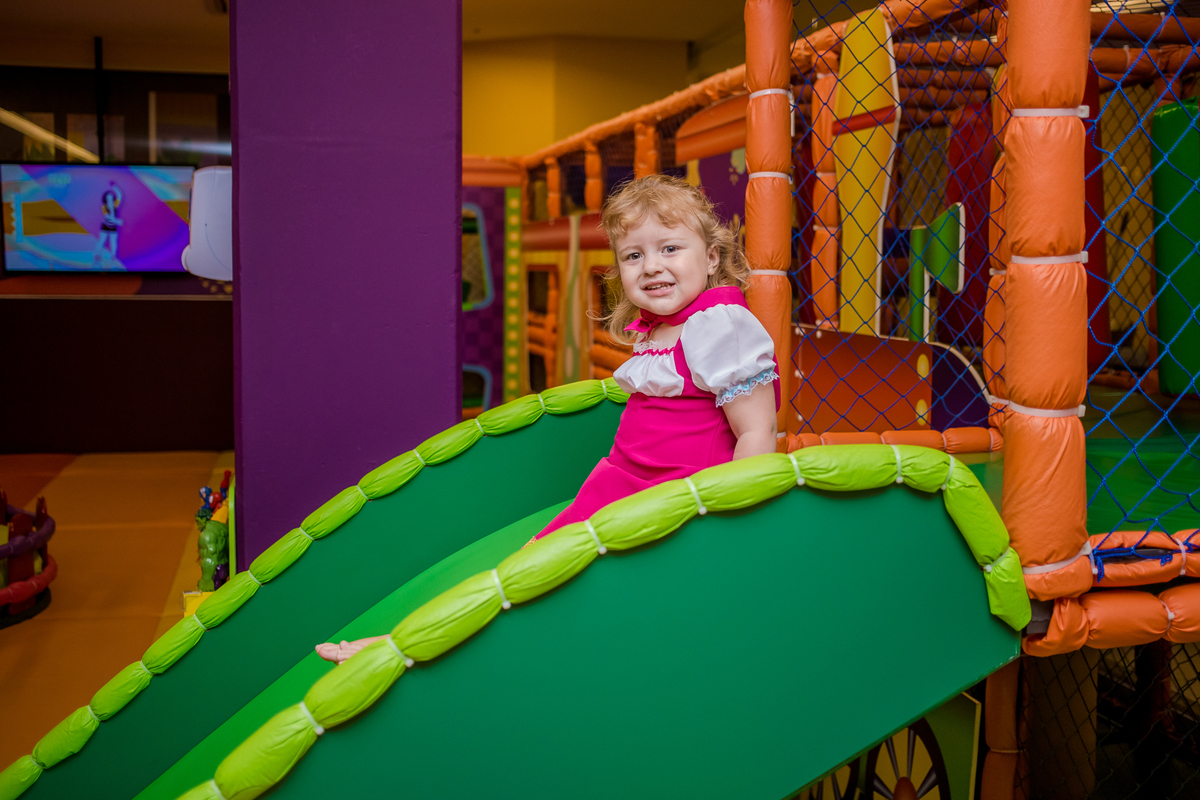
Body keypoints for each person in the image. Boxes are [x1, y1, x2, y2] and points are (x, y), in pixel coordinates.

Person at [315, 175, 778, 665]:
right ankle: (402, 644)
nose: (651, 267)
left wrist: (730, 525)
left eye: (669, 248)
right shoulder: (660, 329)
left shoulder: (719, 324)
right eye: (633, 255)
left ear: (709, 258)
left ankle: (410, 648)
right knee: (523, 572)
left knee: (556, 592)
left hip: (677, 500)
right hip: (619, 485)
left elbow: (756, 431)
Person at [92, 182, 123, 267]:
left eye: (111, 197)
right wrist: (118, 221)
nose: (110, 198)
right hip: (105, 225)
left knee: (113, 242)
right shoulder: (104, 207)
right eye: (108, 197)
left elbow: (120, 195)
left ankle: (113, 256)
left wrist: (114, 187)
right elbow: (108, 218)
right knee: (101, 240)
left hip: (113, 226)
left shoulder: (115, 204)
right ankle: (97, 255)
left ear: (113, 198)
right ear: (105, 198)